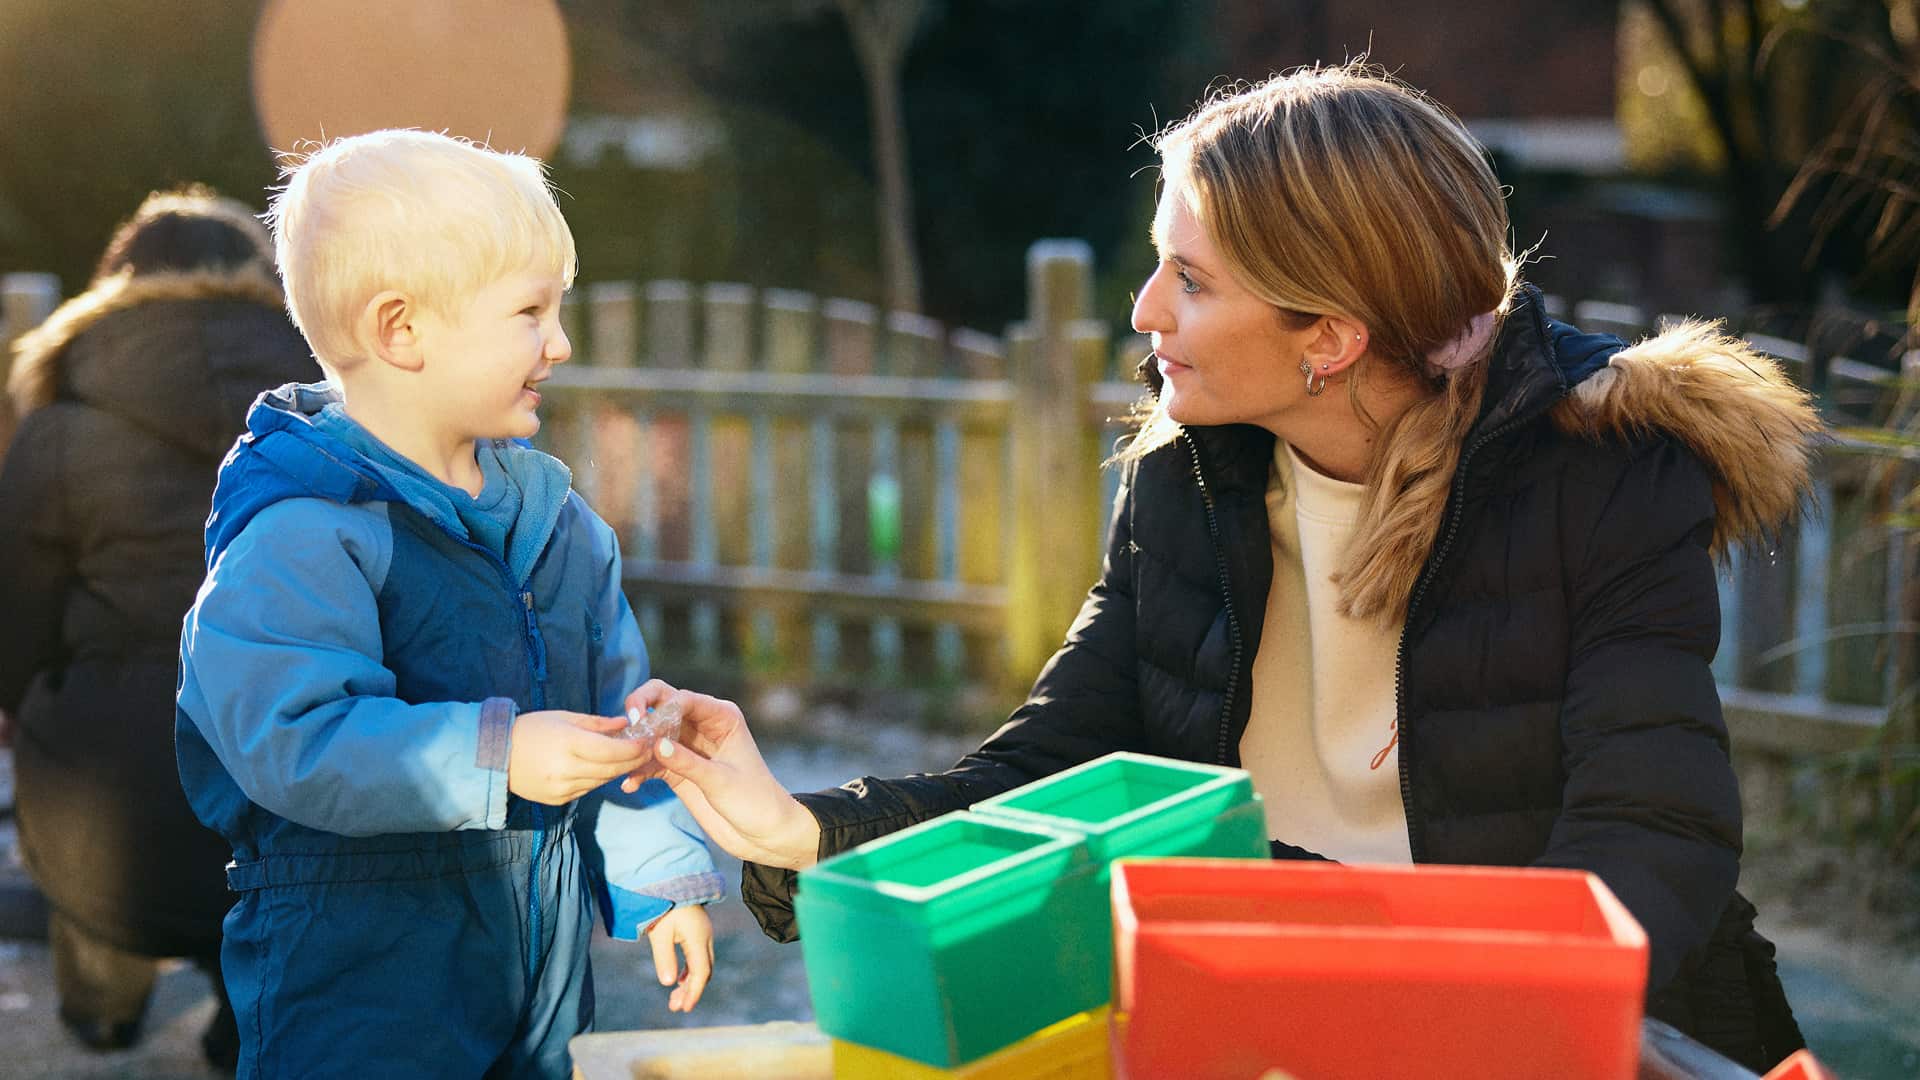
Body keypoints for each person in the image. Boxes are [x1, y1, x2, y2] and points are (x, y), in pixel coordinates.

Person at [622, 63, 1821, 1071]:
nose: (1143, 310)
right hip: (1271, 1025)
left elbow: (1649, 852)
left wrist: (1430, 1007)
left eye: (1189, 281)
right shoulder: (1187, 483)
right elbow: (1055, 773)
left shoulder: (1601, 481)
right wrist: (801, 833)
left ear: (1331, 339)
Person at [172, 130, 724, 1079]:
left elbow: (620, 721)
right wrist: (500, 753)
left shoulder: (560, 527)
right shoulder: (305, 531)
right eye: (529, 312)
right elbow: (291, 739)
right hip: (356, 995)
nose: (561, 343)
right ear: (402, 331)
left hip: (528, 987)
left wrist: (659, 876)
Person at [0, 186, 318, 1066]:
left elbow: (15, 623)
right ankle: (245, 1005)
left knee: (82, 763)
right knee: (255, 808)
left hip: (112, 799)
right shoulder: (334, 414)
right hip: (295, 776)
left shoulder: (60, 424)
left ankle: (104, 993)